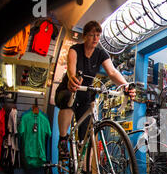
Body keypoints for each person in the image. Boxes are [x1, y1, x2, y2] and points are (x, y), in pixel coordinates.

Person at [54, 20, 135, 158]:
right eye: (92, 35)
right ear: (85, 36)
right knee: (68, 100)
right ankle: (62, 140)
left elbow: (112, 72)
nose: (95, 39)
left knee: (87, 134)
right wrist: (73, 78)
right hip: (70, 89)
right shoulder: (75, 50)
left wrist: (125, 86)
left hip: (86, 93)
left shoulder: (101, 54)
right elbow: (71, 68)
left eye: (98, 35)